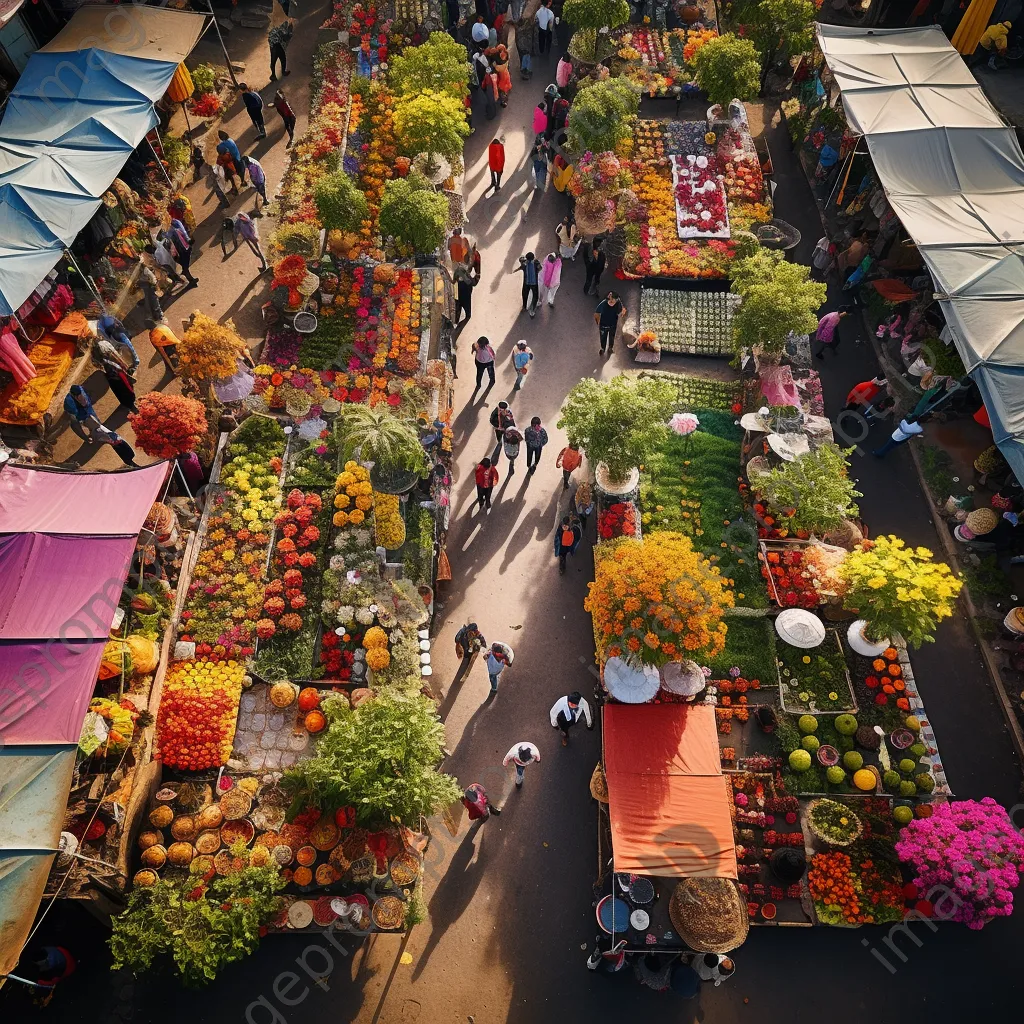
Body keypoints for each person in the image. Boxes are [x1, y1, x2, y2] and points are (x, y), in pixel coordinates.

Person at [166, 214, 200, 287]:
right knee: (185, 264)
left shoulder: (175, 224)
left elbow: (183, 232)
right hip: (180, 249)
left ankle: (188, 277)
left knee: (184, 263)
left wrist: (187, 239)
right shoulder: (171, 227)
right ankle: (190, 279)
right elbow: (183, 232)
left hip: (182, 248)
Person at [516, 0, 538, 78]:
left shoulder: (518, 30)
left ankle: (523, 70)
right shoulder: (529, 28)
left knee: (523, 58)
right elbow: (533, 37)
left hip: (521, 47)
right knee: (527, 58)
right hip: (527, 47)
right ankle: (527, 71)